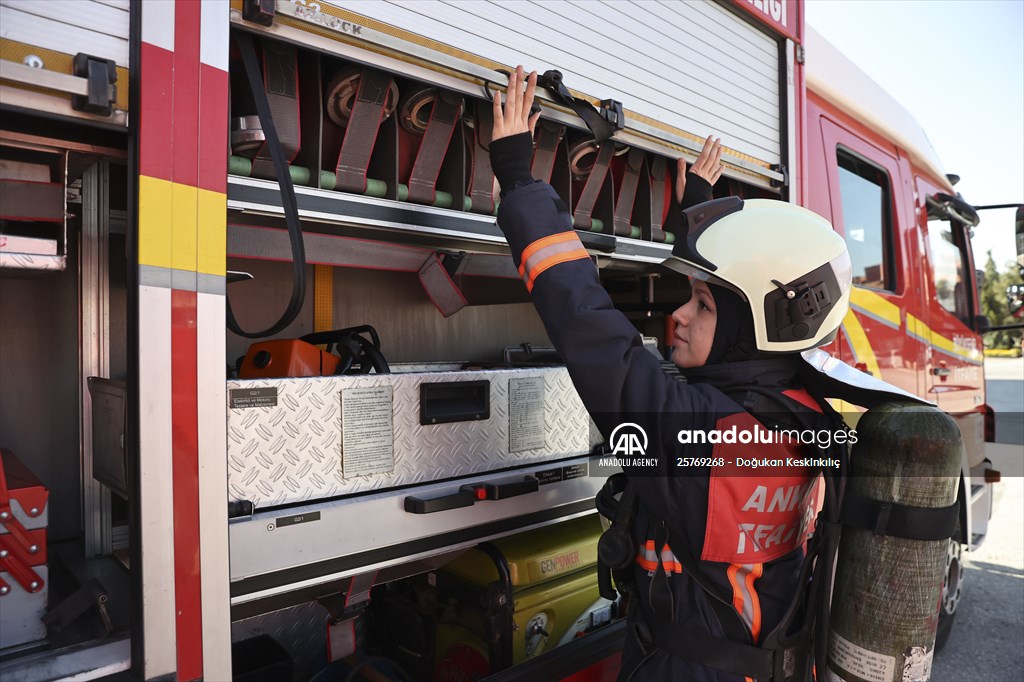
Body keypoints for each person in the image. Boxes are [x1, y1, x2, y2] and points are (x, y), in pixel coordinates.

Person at [489, 67, 857, 681]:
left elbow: (593, 334)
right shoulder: (808, 413)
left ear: (750, 331)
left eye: (704, 306)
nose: (676, 318)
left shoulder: (697, 437)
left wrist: (520, 184)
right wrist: (702, 223)